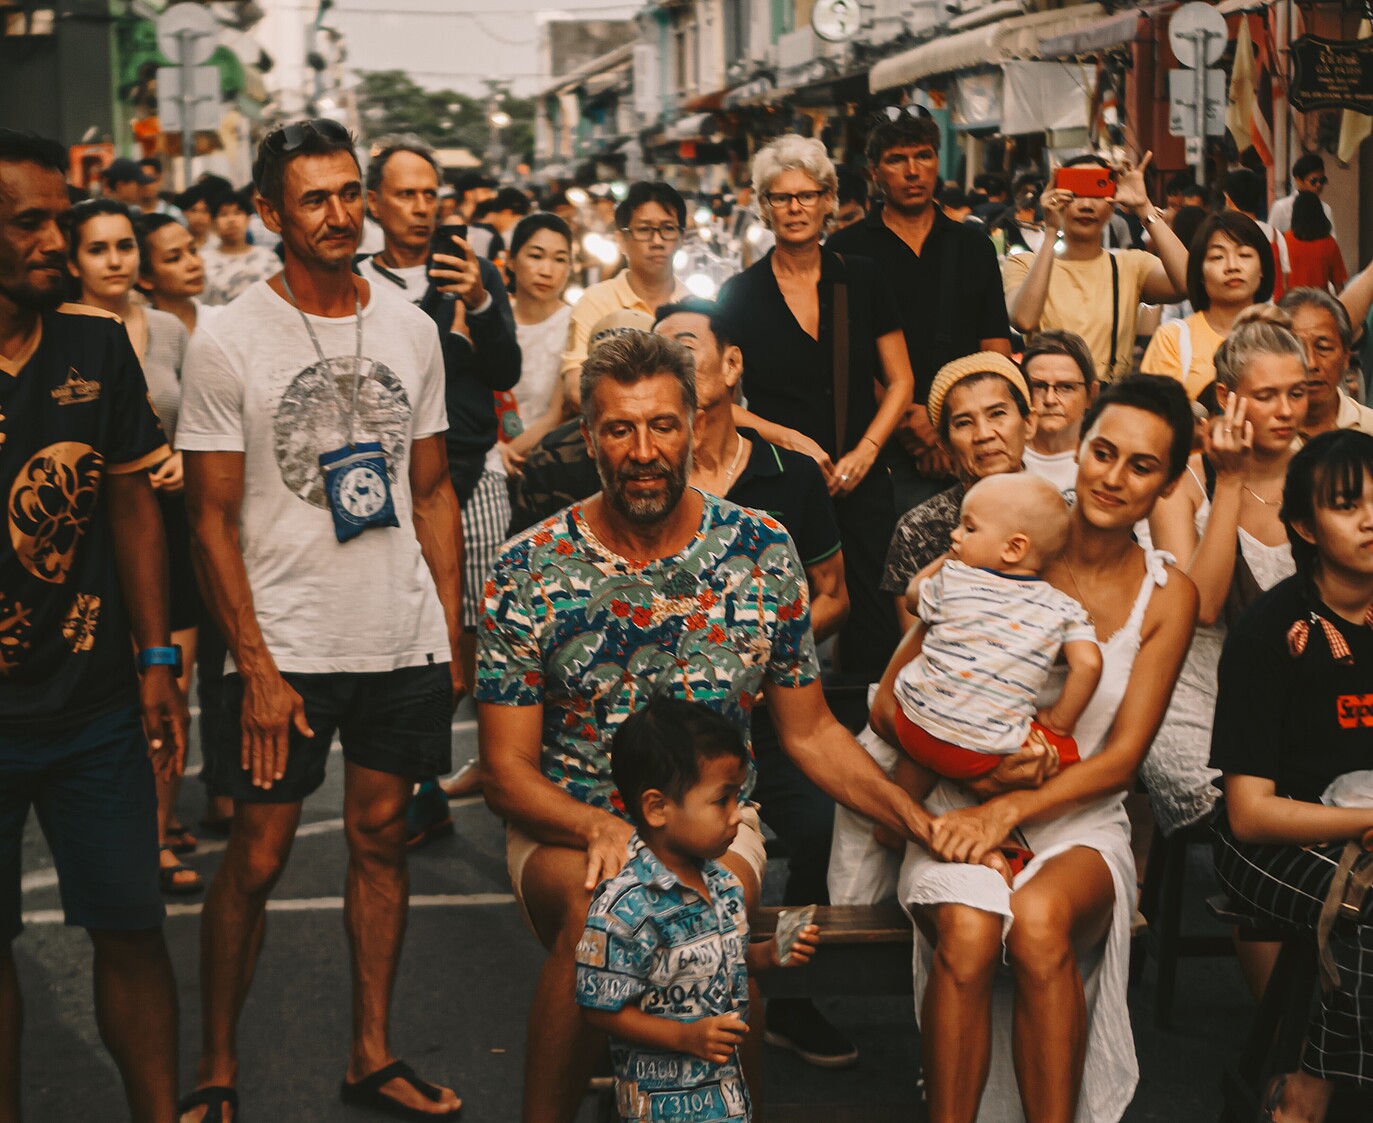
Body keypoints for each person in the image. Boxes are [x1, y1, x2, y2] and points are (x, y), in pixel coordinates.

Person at [476, 330, 938, 1123]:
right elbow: (504, 772)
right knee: (604, 907)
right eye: (619, 428)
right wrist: (595, 823)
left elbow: (811, 732)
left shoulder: (761, 549)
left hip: (718, 819)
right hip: (568, 823)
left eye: (662, 425)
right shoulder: (527, 569)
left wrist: (916, 818)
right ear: (588, 438)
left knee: (711, 916)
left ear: (695, 425)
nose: (643, 449)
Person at [175, 118, 465, 1123]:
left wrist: (450, 624)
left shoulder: (411, 327)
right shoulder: (226, 338)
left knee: (380, 839)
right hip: (282, 645)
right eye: (315, 198)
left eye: (351, 192)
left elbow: (430, 489)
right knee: (253, 859)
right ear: (269, 214)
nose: (341, 214)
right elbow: (207, 518)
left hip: (396, 635)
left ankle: (371, 1053)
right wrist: (252, 665)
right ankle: (214, 1065)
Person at [893, 375, 1198, 1123]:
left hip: (1079, 820)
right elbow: (894, 690)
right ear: (1079, 447)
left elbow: (1121, 760)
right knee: (966, 930)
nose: (1113, 477)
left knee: (1035, 922)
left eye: (1141, 465)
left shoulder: (1167, 593)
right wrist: (983, 785)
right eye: (1102, 451)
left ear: (1166, 483)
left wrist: (1016, 807)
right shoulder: (1007, 534)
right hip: (958, 801)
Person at [0, 128, 187, 1123]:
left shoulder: (94, 344)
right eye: (29, 222)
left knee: (130, 926)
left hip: (95, 705)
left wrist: (157, 656)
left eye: (58, 221)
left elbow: (129, 506)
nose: (55, 243)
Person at [654, 296, 855, 1064]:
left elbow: (832, 592)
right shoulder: (650, 471)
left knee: (821, 828)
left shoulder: (788, 473)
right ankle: (652, 1007)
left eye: (685, 347)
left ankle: (790, 999)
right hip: (672, 725)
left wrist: (767, 649)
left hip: (774, 710)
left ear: (731, 365)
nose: (669, 364)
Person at [1210, 428, 1373, 1123]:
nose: (1371, 518)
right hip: (1275, 843)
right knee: (1367, 912)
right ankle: (1305, 1094)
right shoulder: (1269, 633)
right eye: (1347, 505)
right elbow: (1249, 812)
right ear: (1304, 525)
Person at [357, 137, 518, 814]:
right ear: (373, 203)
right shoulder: (358, 280)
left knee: (478, 633)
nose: (422, 209)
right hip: (391, 482)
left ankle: (496, 763)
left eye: (431, 195)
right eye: (406, 194)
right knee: (404, 631)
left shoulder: (473, 272)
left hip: (472, 472)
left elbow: (506, 370)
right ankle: (416, 777)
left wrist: (481, 301)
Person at [718, 134, 915, 682]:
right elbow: (721, 404)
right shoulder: (739, 294)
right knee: (782, 621)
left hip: (863, 477)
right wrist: (790, 438)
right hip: (781, 482)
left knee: (875, 623)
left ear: (829, 199)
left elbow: (900, 381)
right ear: (763, 207)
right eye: (781, 198)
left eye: (808, 195)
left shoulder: (862, 277)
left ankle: (864, 737)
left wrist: (866, 452)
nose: (796, 207)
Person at [575, 700, 820, 1123]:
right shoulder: (624, 908)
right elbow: (598, 1008)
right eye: (722, 800)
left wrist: (770, 954)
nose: (737, 815)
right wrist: (685, 1037)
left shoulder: (723, 884)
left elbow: (725, 961)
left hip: (724, 1094)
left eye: (738, 797)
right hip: (663, 1103)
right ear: (657, 808)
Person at [64, 198, 203, 895]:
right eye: (98, 248)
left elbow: (200, 421)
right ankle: (125, 829)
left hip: (171, 523)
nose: (115, 259)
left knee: (172, 681)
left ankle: (157, 832)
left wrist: (183, 458)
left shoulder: (173, 329)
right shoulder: (61, 333)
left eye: (124, 245)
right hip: (96, 535)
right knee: (118, 689)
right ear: (73, 260)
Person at [1144, 306, 1306, 839]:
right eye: (1266, 396)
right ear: (1225, 398)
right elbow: (1204, 605)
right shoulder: (1184, 485)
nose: (1285, 411)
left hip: (1308, 694)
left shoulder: (1326, 475)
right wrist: (1230, 483)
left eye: (1297, 393)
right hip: (1202, 705)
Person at [825, 110, 1011, 513]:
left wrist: (951, 426)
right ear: (875, 172)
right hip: (881, 446)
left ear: (937, 162)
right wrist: (911, 425)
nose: (913, 171)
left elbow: (994, 349)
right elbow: (845, 353)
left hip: (969, 435)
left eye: (923, 156)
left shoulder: (973, 246)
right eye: (896, 160)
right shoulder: (845, 250)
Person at [871, 474, 1101, 792]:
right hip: (981, 752)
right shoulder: (1064, 609)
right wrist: (1059, 721)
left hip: (912, 725)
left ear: (1014, 547)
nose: (955, 535)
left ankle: (896, 820)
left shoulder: (953, 580)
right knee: (1063, 755)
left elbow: (913, 597)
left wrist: (949, 560)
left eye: (969, 527)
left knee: (935, 722)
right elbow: (1089, 664)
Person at [880, 352, 1037, 632]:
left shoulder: (1061, 515)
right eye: (964, 422)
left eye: (997, 414)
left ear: (1029, 423)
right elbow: (916, 646)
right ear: (945, 445)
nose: (984, 434)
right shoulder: (918, 529)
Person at [1004, 152, 1189, 380]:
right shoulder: (1025, 264)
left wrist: (1144, 207)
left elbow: (1187, 282)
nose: (1087, 205)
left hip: (1107, 405)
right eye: (1075, 193)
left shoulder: (1130, 265)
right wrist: (1051, 231)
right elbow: (1024, 319)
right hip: (1048, 400)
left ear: (1112, 204)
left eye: (1097, 191)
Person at [560, 181, 690, 417]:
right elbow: (575, 389)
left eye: (668, 228)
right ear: (621, 240)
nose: (658, 241)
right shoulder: (595, 301)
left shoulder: (694, 307)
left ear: (681, 238)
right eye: (644, 229)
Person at [1141, 210, 1275, 397]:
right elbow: (1154, 416)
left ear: (1263, 268)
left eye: (1244, 255)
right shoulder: (1173, 340)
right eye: (1217, 257)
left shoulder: (1282, 334)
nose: (1232, 266)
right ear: (1200, 273)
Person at [498, 212, 574, 478]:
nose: (546, 270)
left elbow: (557, 414)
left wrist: (505, 454)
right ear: (510, 260)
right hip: (487, 459)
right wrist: (492, 452)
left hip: (546, 467)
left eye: (559, 259)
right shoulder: (491, 318)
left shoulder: (574, 324)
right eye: (536, 256)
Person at [1282, 286, 1373, 438]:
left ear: (1346, 357)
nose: (1311, 364)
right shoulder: (1259, 434)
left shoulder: (1369, 427)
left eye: (1324, 348)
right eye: (1297, 349)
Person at [1021, 330, 1097, 501]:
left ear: (1091, 394)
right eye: (1039, 386)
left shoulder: (1107, 461)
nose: (1050, 399)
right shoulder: (1005, 456)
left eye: (1066, 387)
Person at [136, 212, 215, 336]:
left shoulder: (221, 320)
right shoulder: (137, 335)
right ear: (145, 279)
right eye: (174, 258)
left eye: (193, 250)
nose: (194, 264)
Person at [200, 187, 280, 306]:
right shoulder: (202, 261)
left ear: (248, 219)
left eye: (238, 213)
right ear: (213, 222)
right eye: (223, 214)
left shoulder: (268, 258)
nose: (231, 220)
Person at [1223, 167, 1289, 298]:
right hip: (1271, 309)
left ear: (1229, 200)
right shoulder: (1275, 234)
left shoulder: (1224, 235)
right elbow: (1285, 278)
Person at [1284, 192, 1347, 295]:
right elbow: (1338, 284)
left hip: (1292, 302)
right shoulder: (1329, 243)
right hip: (1321, 302)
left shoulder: (1286, 240)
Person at [1268, 152, 1336, 237]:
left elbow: (1332, 241)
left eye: (1322, 180)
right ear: (1298, 181)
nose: (1319, 185)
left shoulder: (1326, 209)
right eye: (1313, 181)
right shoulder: (1281, 207)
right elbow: (1272, 239)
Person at [138, 157, 185, 222]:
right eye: (141, 179)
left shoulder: (173, 214)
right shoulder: (130, 213)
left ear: (160, 179)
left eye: (150, 178)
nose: (145, 184)